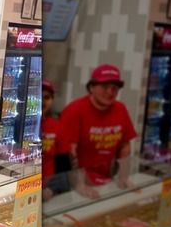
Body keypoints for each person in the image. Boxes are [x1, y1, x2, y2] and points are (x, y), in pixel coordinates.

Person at [59, 64, 137, 198]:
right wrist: (79, 184)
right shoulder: (74, 110)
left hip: (105, 179)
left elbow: (124, 146)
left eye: (114, 88)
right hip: (74, 182)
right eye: (105, 87)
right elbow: (69, 152)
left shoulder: (120, 109)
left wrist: (123, 177)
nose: (110, 92)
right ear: (91, 87)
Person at [41, 79, 71, 201]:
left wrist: (52, 190)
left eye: (46, 97)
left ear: (52, 101)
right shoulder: (20, 126)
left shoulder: (58, 127)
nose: (42, 101)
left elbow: (63, 165)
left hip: (49, 186)